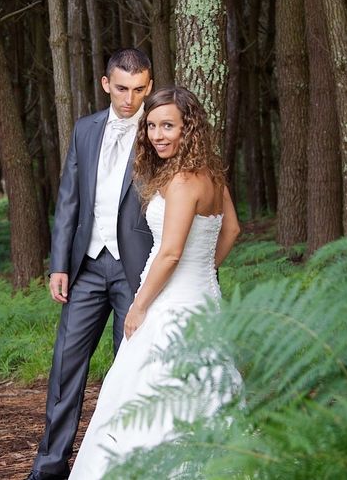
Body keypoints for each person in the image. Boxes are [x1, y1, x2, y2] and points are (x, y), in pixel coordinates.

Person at [69, 86, 241, 479]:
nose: (158, 134)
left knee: (149, 394)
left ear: (188, 128)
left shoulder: (181, 182)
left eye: (168, 125)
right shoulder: (213, 175)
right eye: (151, 126)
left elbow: (169, 253)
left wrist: (140, 305)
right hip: (202, 299)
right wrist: (204, 270)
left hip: (168, 305)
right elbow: (232, 229)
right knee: (202, 390)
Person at [27, 49, 155, 480]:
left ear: (149, 88)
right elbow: (69, 199)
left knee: (128, 372)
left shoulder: (158, 132)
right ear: (106, 84)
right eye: (121, 88)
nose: (129, 99)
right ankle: (49, 467)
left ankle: (120, 466)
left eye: (138, 90)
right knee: (65, 367)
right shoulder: (85, 130)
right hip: (85, 267)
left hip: (134, 270)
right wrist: (58, 263)